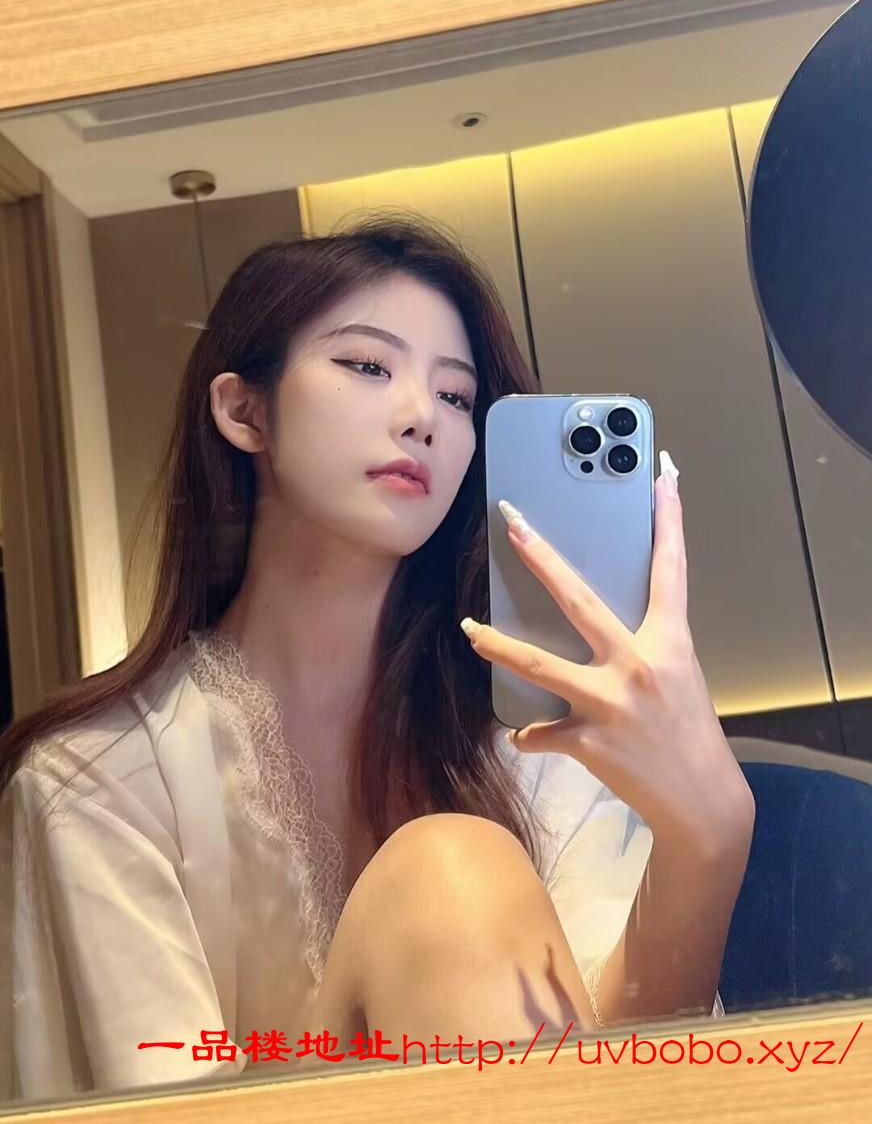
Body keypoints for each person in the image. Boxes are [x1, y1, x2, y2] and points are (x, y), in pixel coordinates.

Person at [0, 213, 754, 1102]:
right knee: (448, 870)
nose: (421, 417)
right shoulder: (99, 779)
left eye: (457, 397)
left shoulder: (533, 742)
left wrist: (710, 835)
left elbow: (627, 1075)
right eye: (366, 366)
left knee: (451, 867)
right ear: (244, 411)